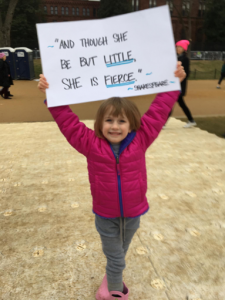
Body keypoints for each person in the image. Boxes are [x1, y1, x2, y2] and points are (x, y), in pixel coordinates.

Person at [38, 62, 185, 300]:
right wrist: (51, 94)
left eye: (121, 121)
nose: (115, 126)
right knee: (116, 257)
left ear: (132, 124)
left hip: (133, 213)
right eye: (109, 121)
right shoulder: (90, 143)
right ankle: (115, 292)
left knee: (120, 253)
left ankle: (110, 278)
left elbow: (159, 110)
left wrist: (173, 82)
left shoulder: (142, 138)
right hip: (106, 215)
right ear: (100, 123)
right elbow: (67, 121)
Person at [165, 40, 196, 128]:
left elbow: (186, 73)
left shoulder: (185, 59)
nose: (178, 49)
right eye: (177, 47)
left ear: (184, 49)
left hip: (179, 86)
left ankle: (163, 123)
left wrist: (179, 81)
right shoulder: (175, 58)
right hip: (174, 85)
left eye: (180, 47)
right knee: (181, 104)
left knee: (171, 104)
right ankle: (191, 120)